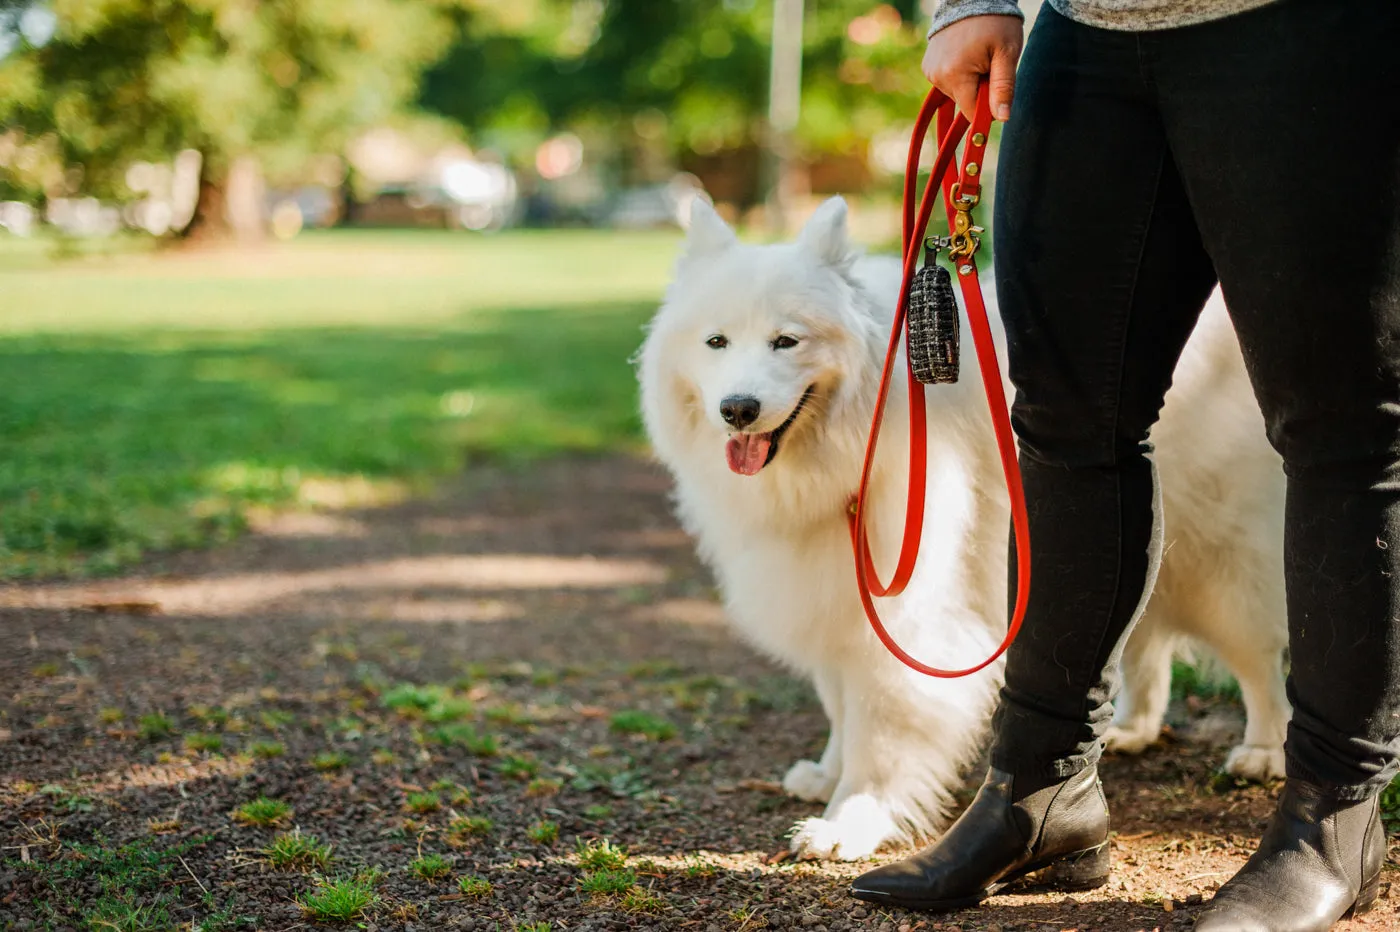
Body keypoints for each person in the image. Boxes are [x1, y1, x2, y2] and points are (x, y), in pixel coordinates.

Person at [847, 1, 1400, 930]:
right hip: (1086, 33)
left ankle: (1333, 819)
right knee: (1065, 421)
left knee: (1339, 431)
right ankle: (1041, 789)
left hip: (1304, 33)